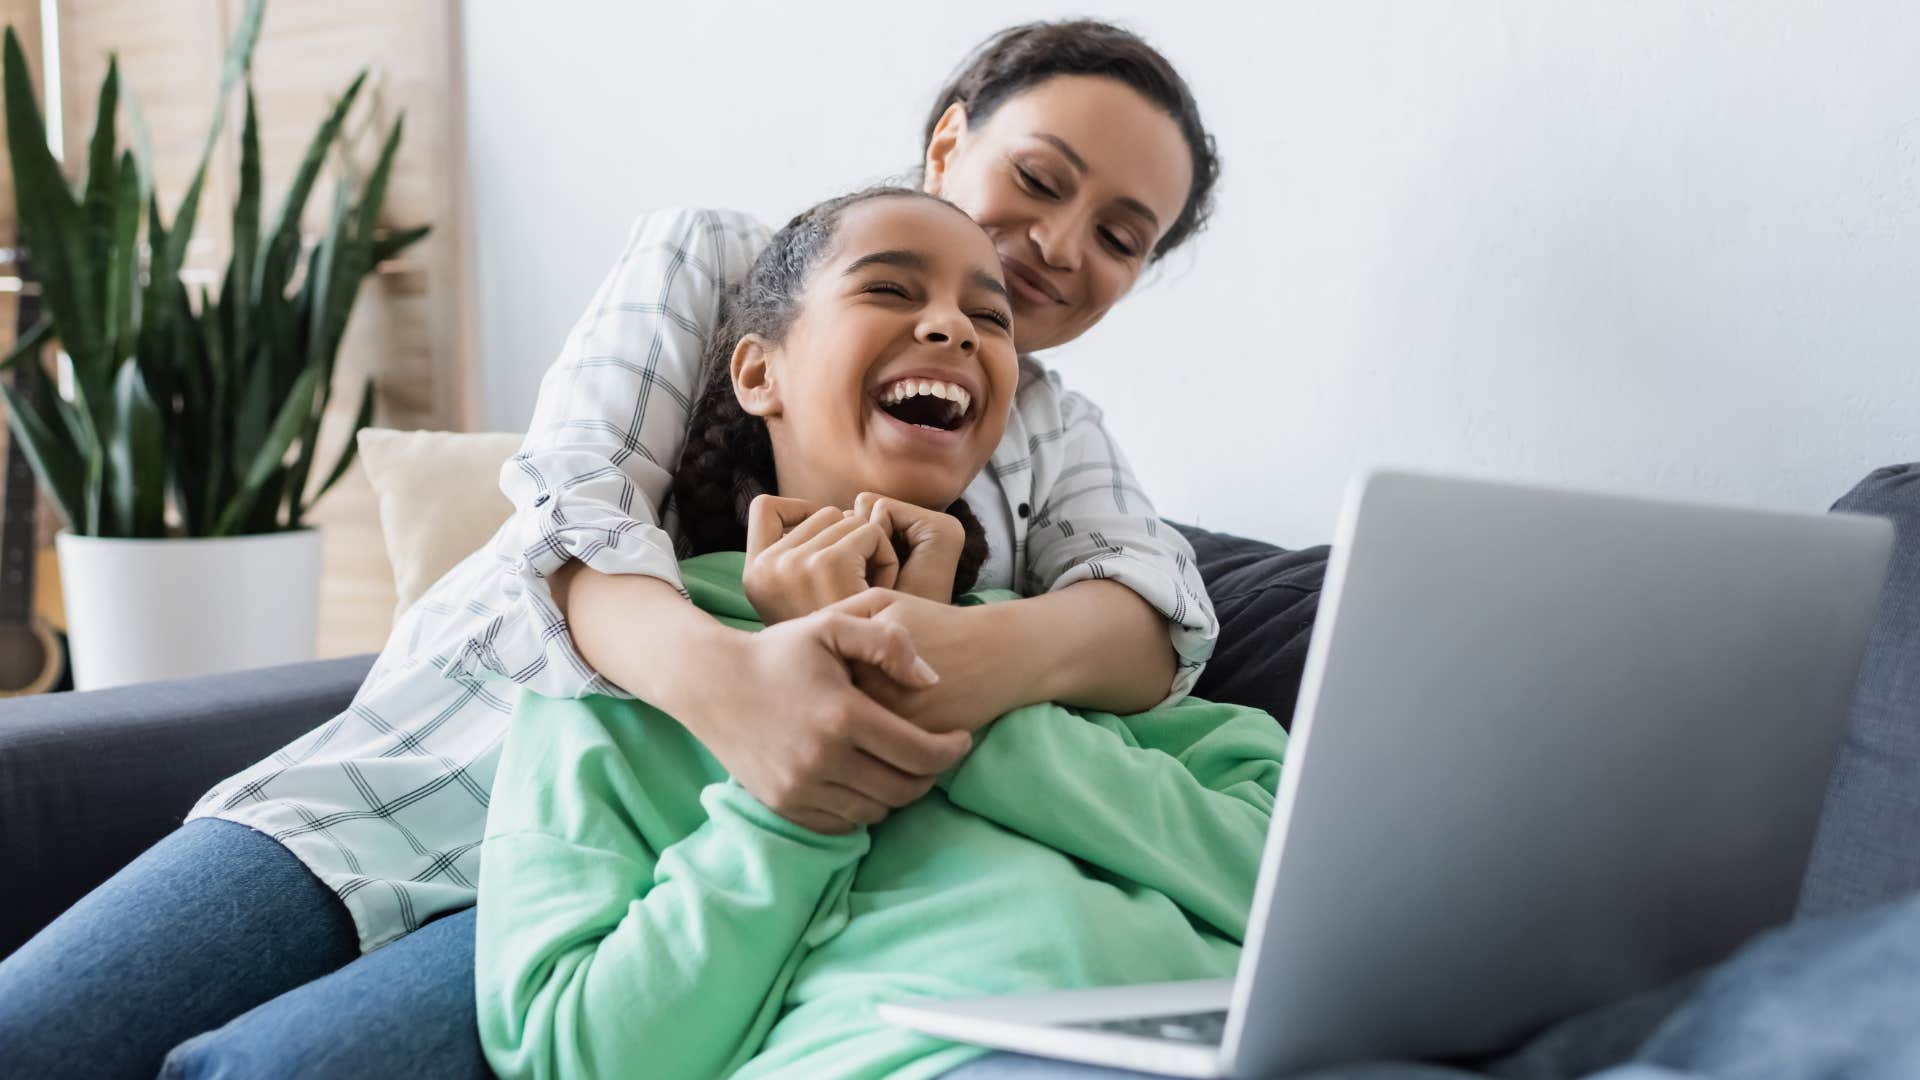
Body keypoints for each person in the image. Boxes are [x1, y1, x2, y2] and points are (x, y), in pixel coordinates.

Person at [0, 20, 1227, 1079]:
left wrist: (925, 653)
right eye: (1042, 177)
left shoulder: (1048, 426)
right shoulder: (723, 263)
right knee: (39, 1032)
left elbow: (1155, 621)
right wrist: (745, 689)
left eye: (1122, 236)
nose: (1063, 244)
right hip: (423, 781)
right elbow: (573, 508)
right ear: (952, 142)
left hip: (672, 875)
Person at [474, 184, 1289, 1080]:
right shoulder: (625, 678)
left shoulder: (1055, 650)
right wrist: (791, 814)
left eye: (991, 314)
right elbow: (575, 1054)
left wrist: (965, 692)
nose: (956, 328)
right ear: (758, 374)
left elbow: (1319, 896)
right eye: (891, 291)